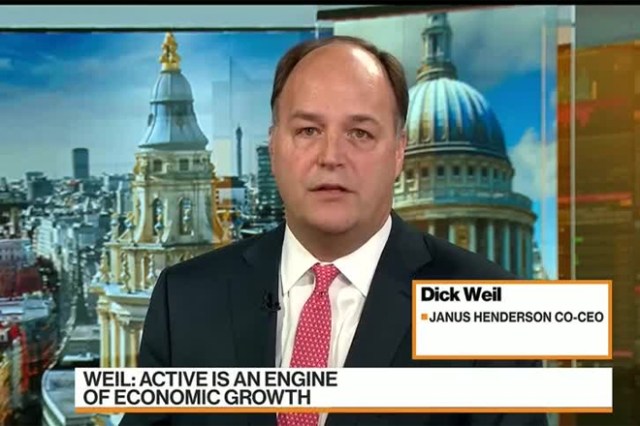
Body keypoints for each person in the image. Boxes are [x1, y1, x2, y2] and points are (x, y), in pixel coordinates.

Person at [120, 35, 548, 426]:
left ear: (399, 152)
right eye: (308, 130)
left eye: (360, 133)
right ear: (274, 147)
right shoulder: (185, 299)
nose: (331, 156)